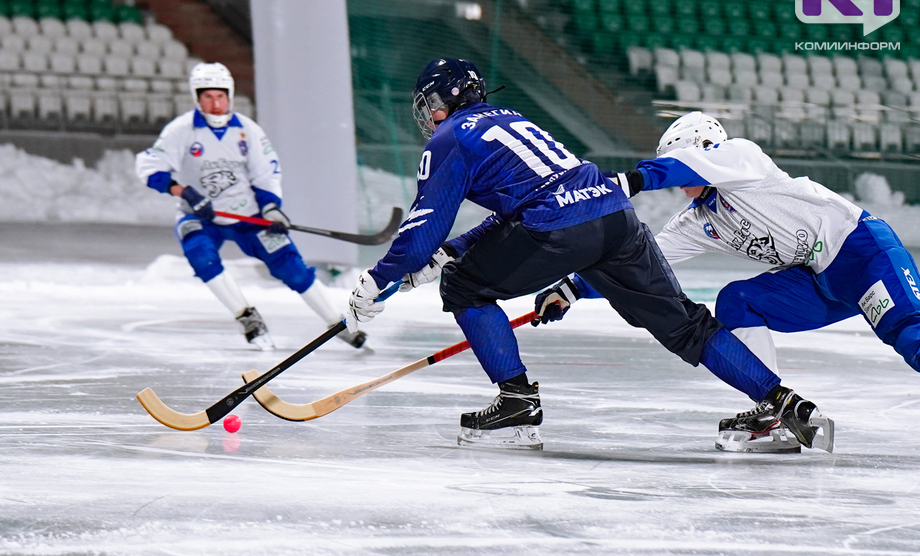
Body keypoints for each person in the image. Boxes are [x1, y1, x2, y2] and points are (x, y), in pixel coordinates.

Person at [344, 58, 833, 452]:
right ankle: (784, 402)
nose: (427, 115)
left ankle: (517, 405)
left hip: (560, 229)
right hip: (614, 216)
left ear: (442, 103)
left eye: (428, 104)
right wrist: (450, 251)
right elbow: (529, 201)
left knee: (464, 287)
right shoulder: (513, 120)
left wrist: (380, 278)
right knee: (687, 324)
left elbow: (425, 222)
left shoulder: (453, 137)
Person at [543, 110, 920, 450]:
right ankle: (773, 412)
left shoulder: (743, 158)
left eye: (678, 162)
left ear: (705, 151)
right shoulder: (700, 221)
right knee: (738, 300)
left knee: (909, 336)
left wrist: (629, 181)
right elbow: (640, 261)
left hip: (862, 253)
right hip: (819, 280)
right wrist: (573, 288)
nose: (677, 179)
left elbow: (687, 164)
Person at [135, 62, 367, 351]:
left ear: (230, 96)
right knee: (201, 257)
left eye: (220, 96)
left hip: (248, 217)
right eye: (207, 97)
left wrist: (270, 208)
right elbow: (148, 166)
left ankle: (337, 323)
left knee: (291, 267)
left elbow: (265, 173)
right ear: (197, 98)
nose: (215, 104)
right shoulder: (181, 130)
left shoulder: (247, 131)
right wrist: (183, 191)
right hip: (200, 215)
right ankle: (247, 317)